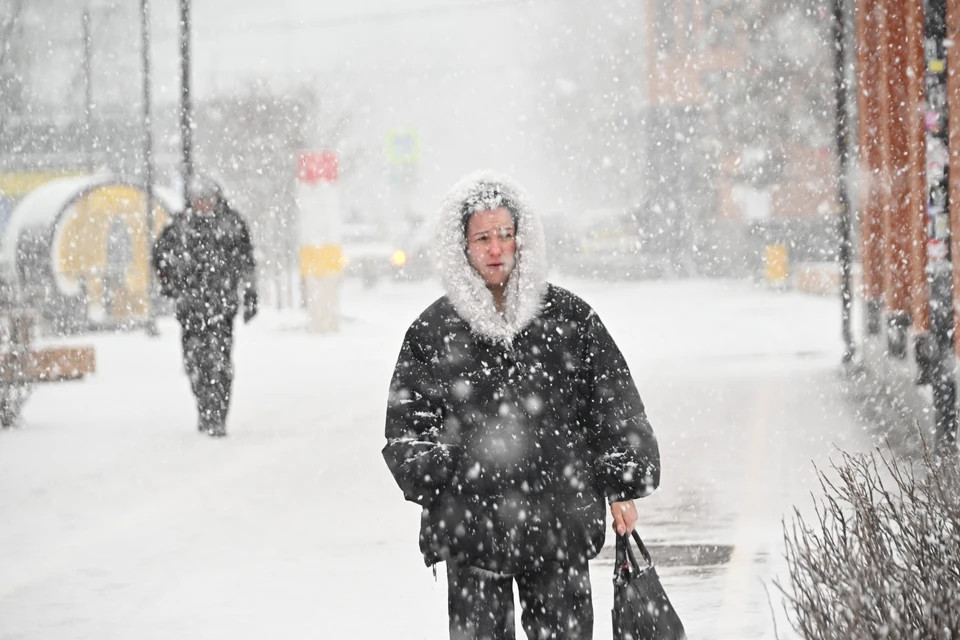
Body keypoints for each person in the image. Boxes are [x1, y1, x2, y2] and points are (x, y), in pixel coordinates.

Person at [382, 171, 661, 640]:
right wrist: (445, 478)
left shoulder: (569, 319)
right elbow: (408, 430)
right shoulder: (433, 332)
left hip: (558, 526)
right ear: (461, 247)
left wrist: (622, 483)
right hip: (472, 537)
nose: (496, 250)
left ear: (522, 238)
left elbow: (612, 403)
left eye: (506, 235)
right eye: (483, 238)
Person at [152, 175, 258, 437]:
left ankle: (218, 415)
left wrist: (250, 295)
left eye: (207, 198)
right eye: (198, 199)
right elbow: (159, 256)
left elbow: (247, 262)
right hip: (190, 310)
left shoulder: (232, 224)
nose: (203, 204)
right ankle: (204, 408)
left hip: (222, 309)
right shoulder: (180, 226)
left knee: (219, 363)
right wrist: (170, 283)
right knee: (195, 362)